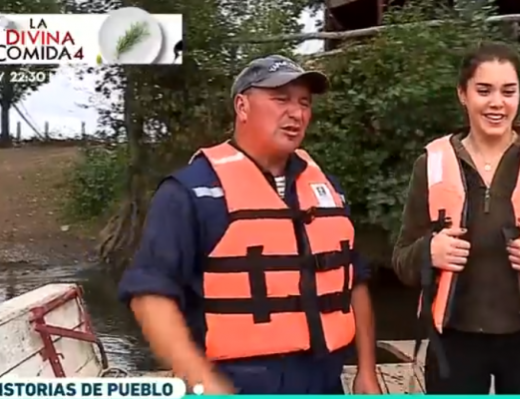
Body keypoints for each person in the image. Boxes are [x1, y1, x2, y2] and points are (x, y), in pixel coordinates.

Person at [117, 55, 381, 395]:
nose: (297, 113)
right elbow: (149, 294)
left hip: (324, 383)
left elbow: (353, 281)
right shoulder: (189, 192)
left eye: (304, 103)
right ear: (242, 106)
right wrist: (203, 381)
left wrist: (367, 371)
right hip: (237, 384)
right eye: (281, 99)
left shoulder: (326, 189)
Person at [391, 42, 520, 394]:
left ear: (519, 95)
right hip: (453, 342)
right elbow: (402, 260)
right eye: (483, 90)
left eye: (508, 91)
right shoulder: (432, 163)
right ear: (463, 93)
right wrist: (429, 251)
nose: (496, 103)